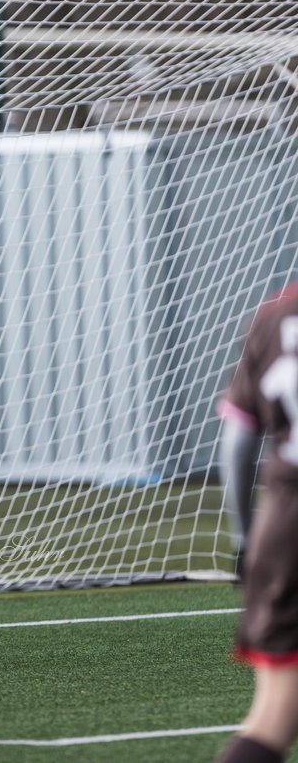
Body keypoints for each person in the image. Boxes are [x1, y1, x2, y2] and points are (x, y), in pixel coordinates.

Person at [217, 282, 298, 763]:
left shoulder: (273, 316)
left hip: (284, 529)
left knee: (272, 715)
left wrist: (246, 539)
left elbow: (237, 445)